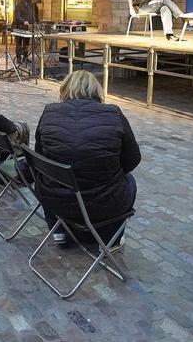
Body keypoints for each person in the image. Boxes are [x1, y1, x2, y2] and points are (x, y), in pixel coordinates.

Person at [34, 70, 140, 248]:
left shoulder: (49, 111)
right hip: (103, 200)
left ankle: (59, 229)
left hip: (55, 198)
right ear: (96, 91)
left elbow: (40, 157)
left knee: (47, 176)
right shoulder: (113, 113)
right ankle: (110, 240)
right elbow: (132, 160)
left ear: (65, 89)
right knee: (129, 181)